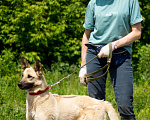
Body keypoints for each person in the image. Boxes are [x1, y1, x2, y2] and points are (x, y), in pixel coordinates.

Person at [79, 0, 143, 120]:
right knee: (95, 105)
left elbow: (137, 33)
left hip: (121, 55)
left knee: (125, 105)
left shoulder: (130, 2)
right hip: (95, 55)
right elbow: (87, 34)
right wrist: (83, 65)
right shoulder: (93, 3)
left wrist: (114, 45)